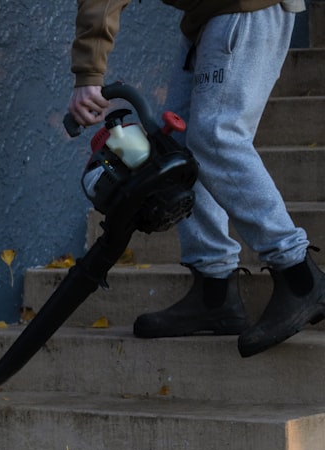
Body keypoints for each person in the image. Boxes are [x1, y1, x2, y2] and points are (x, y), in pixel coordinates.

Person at [67, 0, 325, 357]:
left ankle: (299, 277)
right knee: (178, 148)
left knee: (215, 137)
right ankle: (214, 291)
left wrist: (88, 73)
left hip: (243, 8)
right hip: (208, 17)